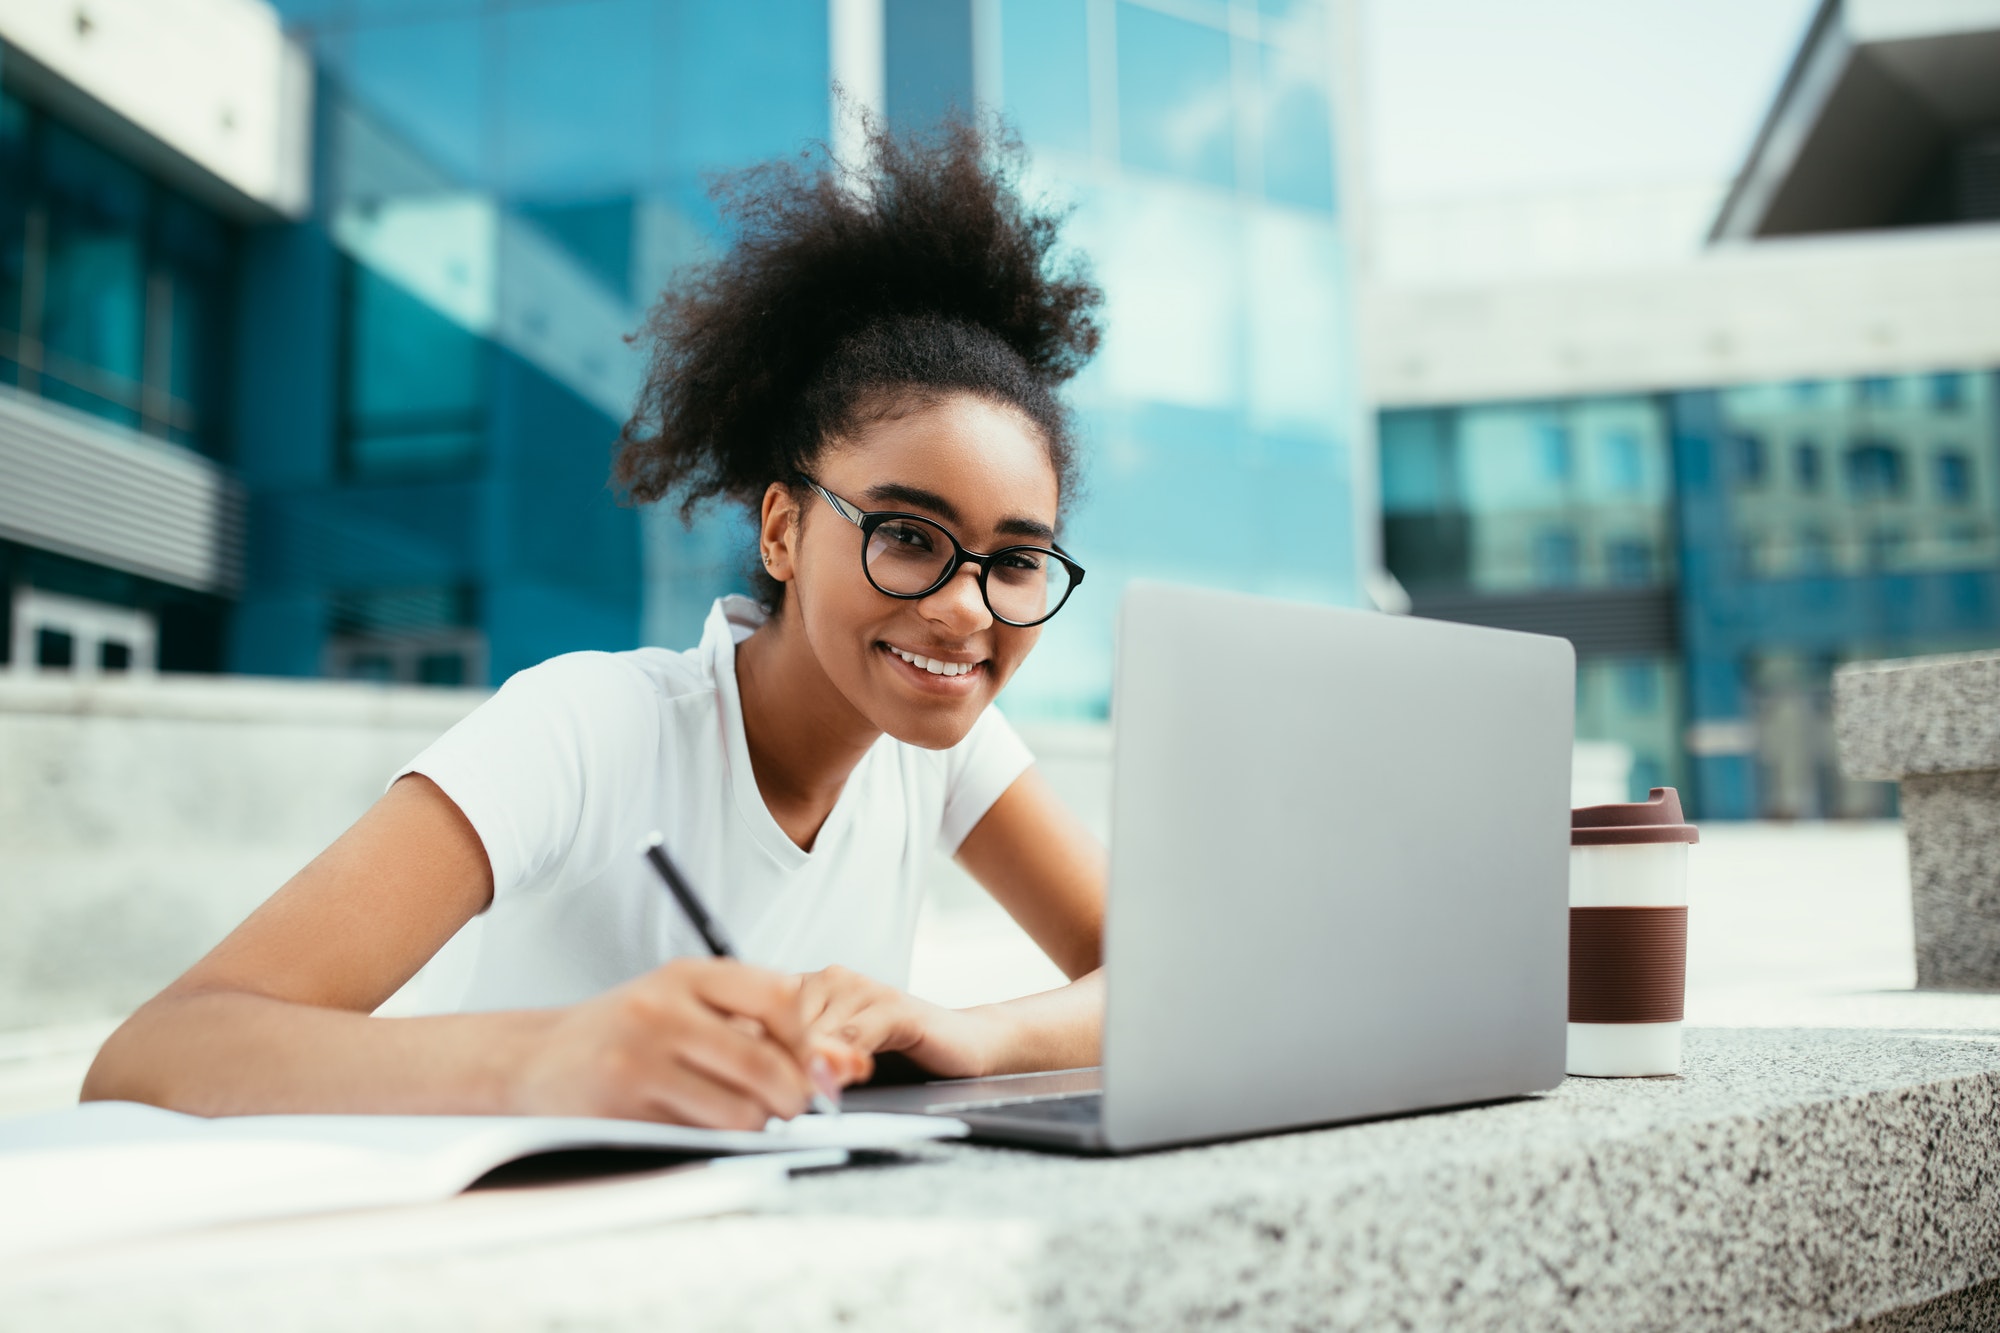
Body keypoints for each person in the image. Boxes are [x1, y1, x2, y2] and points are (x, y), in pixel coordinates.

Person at [81, 118, 1110, 1130]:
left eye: (1014, 561)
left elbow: (1168, 976)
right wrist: (550, 1056)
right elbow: (156, 1054)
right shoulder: (588, 726)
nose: (964, 608)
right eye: (906, 535)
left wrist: (969, 1037)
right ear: (785, 530)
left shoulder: (942, 735)